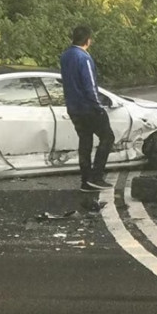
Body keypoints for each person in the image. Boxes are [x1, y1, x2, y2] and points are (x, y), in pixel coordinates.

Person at [60, 25, 115, 201]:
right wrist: (99, 106)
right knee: (107, 137)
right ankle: (96, 177)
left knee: (85, 141)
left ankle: (85, 180)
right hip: (88, 108)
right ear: (88, 40)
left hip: (73, 107)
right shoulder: (83, 58)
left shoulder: (65, 56)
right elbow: (90, 85)